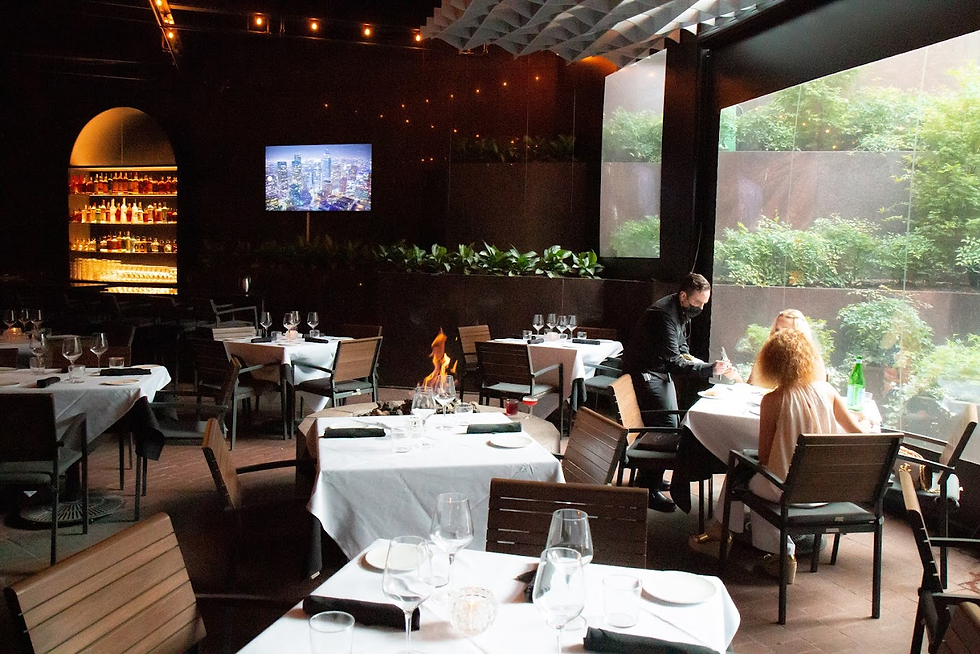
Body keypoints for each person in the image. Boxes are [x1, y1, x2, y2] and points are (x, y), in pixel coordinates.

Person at [691, 329, 872, 581]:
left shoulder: (774, 400)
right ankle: (769, 552)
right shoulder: (828, 391)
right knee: (755, 476)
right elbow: (857, 432)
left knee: (745, 472)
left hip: (788, 492)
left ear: (771, 361)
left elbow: (764, 458)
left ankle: (778, 552)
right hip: (825, 490)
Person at [623, 273, 734, 512]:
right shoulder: (663, 315)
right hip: (647, 372)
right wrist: (709, 369)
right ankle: (647, 488)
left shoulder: (681, 310)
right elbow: (674, 362)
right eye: (697, 303)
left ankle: (651, 476)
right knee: (664, 425)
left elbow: (681, 348)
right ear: (683, 296)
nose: (700, 308)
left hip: (660, 371)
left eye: (704, 304)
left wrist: (700, 362)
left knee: (671, 422)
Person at [743, 309, 826, 388]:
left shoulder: (813, 360)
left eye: (786, 330)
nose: (780, 334)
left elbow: (819, 393)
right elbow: (750, 385)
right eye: (777, 330)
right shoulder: (766, 355)